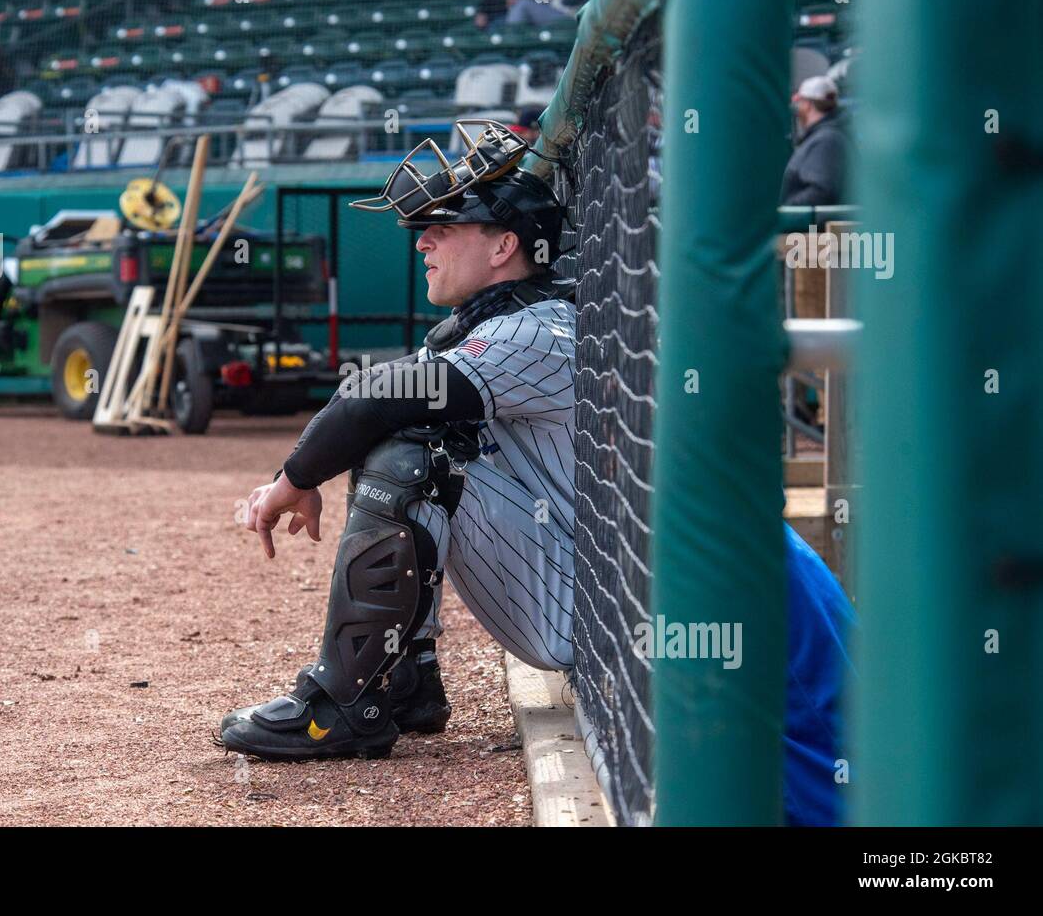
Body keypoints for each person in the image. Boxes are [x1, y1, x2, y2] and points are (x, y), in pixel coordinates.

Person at [218, 123, 855, 826]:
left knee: (407, 450)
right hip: (666, 591)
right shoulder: (531, 317)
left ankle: (346, 703)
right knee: (407, 437)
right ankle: (403, 682)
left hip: (708, 613)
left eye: (445, 225)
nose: (422, 240)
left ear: (503, 246)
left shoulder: (540, 330)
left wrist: (291, 479)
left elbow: (371, 395)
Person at [781, 74, 850, 206]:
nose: (797, 108)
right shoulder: (827, 136)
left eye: (799, 102)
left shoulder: (827, 140)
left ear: (808, 104)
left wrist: (786, 210)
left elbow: (821, 192)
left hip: (814, 226)